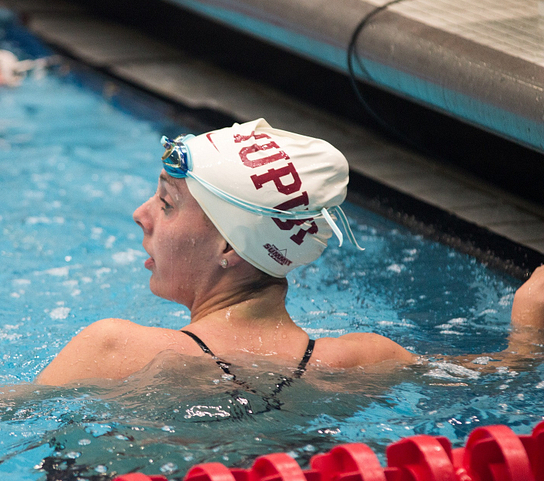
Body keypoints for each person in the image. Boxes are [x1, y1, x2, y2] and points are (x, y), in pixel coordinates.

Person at [35, 119, 544, 387]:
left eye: (166, 204)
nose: (139, 214)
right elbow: (505, 374)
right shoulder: (368, 361)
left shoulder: (115, 350)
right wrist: (529, 327)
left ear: (230, 246)